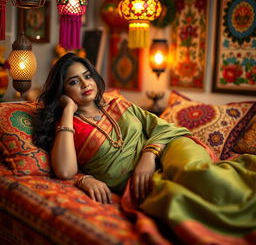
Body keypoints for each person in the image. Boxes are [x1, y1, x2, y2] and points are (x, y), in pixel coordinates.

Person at [33, 52, 256, 244]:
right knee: (174, 200)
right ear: (62, 91)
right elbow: (64, 171)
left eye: (87, 76)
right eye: (73, 81)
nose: (85, 84)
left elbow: (164, 127)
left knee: (197, 175)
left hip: (168, 147)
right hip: (137, 181)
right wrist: (69, 111)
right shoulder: (66, 124)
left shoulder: (118, 103)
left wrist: (148, 156)